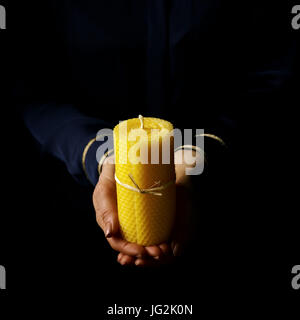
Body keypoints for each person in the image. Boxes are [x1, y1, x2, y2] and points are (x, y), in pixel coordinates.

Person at [14, 1, 298, 267]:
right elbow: (31, 87)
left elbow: (274, 72)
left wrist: (200, 151)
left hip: (231, 202)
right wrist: (99, 152)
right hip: (68, 212)